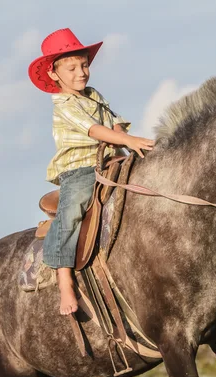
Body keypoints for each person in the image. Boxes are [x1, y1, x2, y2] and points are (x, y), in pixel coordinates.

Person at [28, 28, 155, 315]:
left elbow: (113, 123)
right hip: (80, 169)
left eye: (84, 65)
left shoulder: (94, 95)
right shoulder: (63, 104)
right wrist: (126, 140)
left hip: (110, 160)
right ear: (54, 74)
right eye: (71, 68)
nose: (81, 72)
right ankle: (63, 278)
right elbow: (93, 129)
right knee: (72, 209)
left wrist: (123, 137)